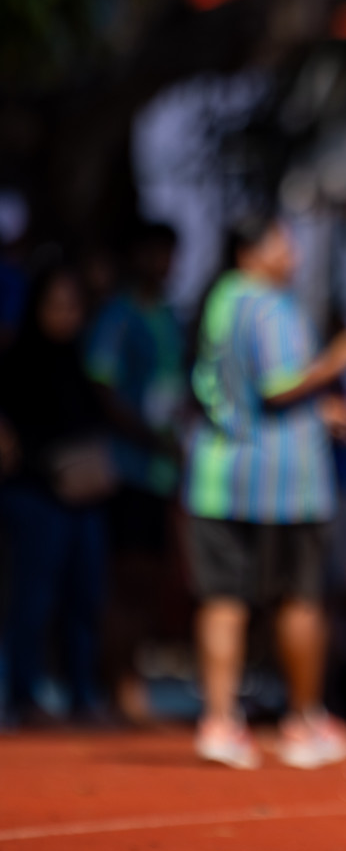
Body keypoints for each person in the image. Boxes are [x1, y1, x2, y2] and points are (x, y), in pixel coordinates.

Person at [185, 213, 346, 769]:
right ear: (251, 250)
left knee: (222, 600)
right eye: (281, 244)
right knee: (300, 598)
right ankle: (303, 719)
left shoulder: (218, 299)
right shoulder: (270, 305)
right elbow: (279, 386)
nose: (291, 255)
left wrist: (322, 407)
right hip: (285, 482)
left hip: (217, 475)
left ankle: (220, 720)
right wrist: (339, 359)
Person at [0, 267, 113, 723]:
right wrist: (43, 466)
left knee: (85, 598)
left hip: (84, 499)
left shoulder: (80, 361)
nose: (65, 316)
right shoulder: (14, 363)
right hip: (35, 496)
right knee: (33, 597)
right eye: (55, 305)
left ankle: (82, 693)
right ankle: (24, 693)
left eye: (73, 306)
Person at [86, 222, 185, 723]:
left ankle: (132, 680)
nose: (164, 267)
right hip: (127, 470)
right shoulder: (119, 315)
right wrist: (147, 437)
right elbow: (101, 386)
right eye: (156, 255)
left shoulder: (170, 316)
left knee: (149, 583)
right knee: (125, 581)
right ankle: (115, 684)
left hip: (161, 473)